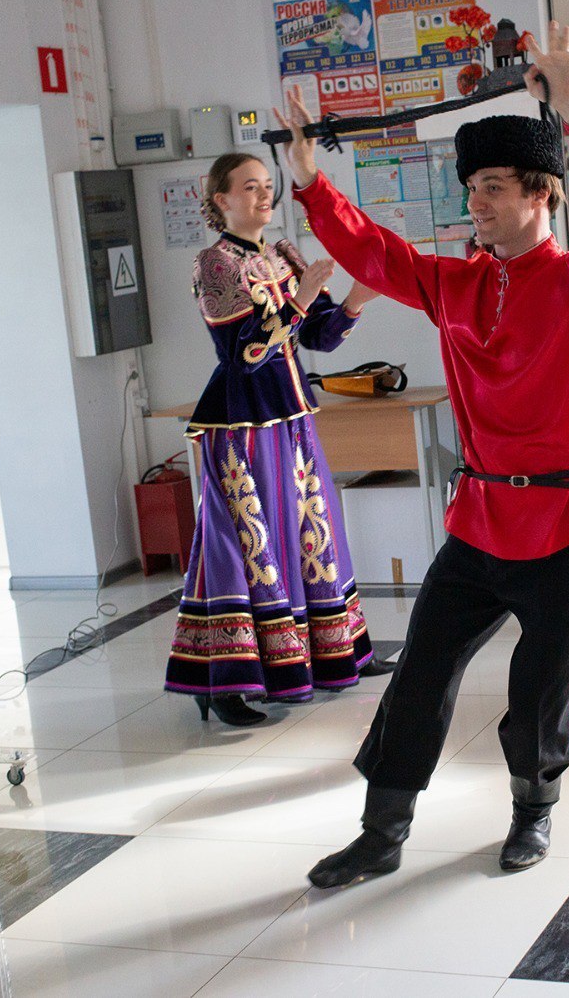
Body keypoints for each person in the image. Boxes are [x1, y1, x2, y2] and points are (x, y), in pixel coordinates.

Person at [277, 21, 569, 888]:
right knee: (421, 674)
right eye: (470, 188)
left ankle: (532, 812)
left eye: (490, 188)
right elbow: (371, 251)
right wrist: (310, 183)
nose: (474, 203)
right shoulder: (456, 283)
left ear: (541, 194)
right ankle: (383, 830)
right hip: (481, 520)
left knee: (542, 694)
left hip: (568, 520)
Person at [163, 151, 391, 728]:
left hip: (291, 418)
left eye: (268, 187)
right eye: (250, 188)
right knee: (250, 544)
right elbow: (244, 353)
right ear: (221, 200)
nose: (264, 197)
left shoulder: (282, 254)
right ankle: (225, 679)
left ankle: (333, 655)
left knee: (311, 532)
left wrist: (354, 301)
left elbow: (315, 337)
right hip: (241, 424)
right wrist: (300, 297)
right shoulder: (214, 265)